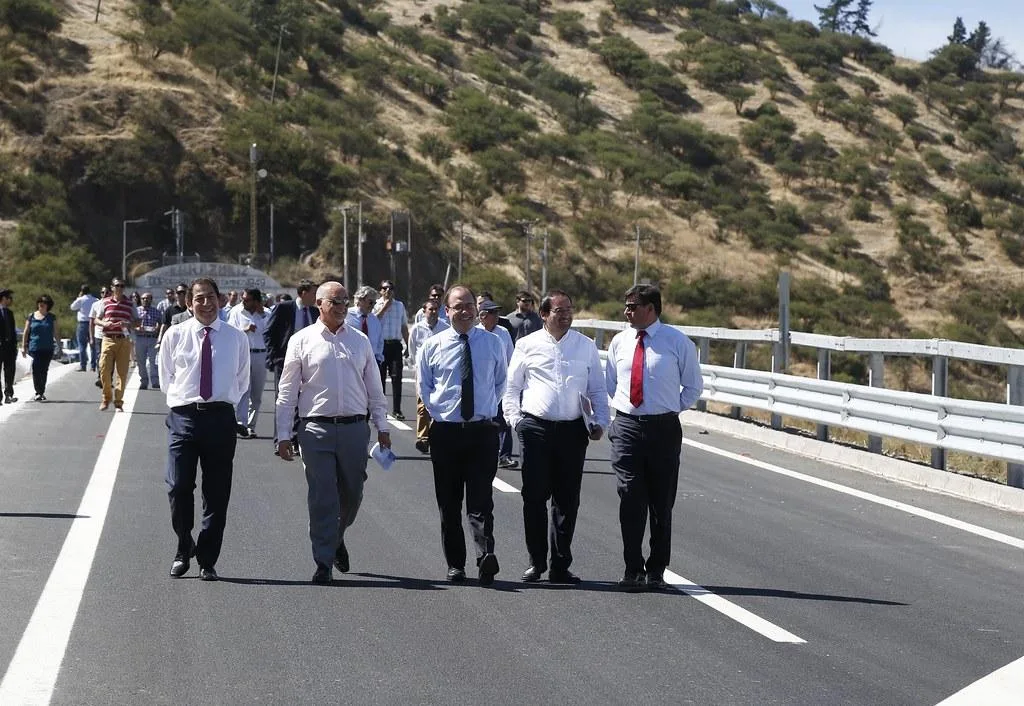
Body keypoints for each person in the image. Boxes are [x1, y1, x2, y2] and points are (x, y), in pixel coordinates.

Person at [276, 281, 392, 584]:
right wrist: (283, 434)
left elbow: (375, 389)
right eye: (335, 302)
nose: (342, 307)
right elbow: (287, 391)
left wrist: (382, 426)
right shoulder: (301, 341)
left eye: (344, 301)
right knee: (322, 497)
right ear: (319, 304)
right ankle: (323, 561)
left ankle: (337, 536)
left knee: (352, 494)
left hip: (355, 429)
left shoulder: (360, 341)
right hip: (315, 429)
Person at [503, 289, 609, 584]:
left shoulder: (585, 346)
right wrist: (516, 422)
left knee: (567, 500)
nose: (565, 316)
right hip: (535, 428)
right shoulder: (526, 345)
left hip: (573, 430)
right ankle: (536, 562)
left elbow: (597, 390)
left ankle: (560, 564)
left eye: (569, 310)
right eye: (559, 311)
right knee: (534, 497)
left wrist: (601, 422)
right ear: (544, 315)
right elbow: (511, 389)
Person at [605, 285, 703, 592]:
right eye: (626, 306)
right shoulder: (620, 341)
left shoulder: (676, 342)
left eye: (633, 306)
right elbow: (612, 384)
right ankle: (632, 567)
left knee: (661, 502)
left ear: (651, 308)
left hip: (663, 428)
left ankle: (656, 568)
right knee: (630, 496)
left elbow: (693, 387)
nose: (627, 311)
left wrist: (668, 410)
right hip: (627, 427)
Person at [159, 278, 250, 582]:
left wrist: (222, 404)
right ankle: (184, 546)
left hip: (220, 419)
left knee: (217, 492)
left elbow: (242, 379)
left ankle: (207, 559)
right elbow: (166, 377)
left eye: (211, 297)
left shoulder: (236, 338)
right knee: (178, 485)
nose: (206, 304)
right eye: (199, 299)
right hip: (184, 416)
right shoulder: (175, 335)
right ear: (189, 303)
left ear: (221, 299)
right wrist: (186, 403)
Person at [417, 285, 507, 586]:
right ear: (447, 311)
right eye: (458, 306)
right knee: (449, 503)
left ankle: (485, 557)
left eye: (470, 305)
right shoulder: (433, 345)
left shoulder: (492, 343)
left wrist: (486, 409)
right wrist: (442, 413)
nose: (466, 311)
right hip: (446, 433)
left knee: (482, 500)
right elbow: (425, 386)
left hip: (482, 432)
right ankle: (456, 564)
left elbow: (500, 382)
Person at [264, 279, 318, 453]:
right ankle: (279, 439)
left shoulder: (316, 313)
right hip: (285, 361)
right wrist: (274, 358)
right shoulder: (284, 308)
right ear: (303, 293)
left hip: (309, 363)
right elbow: (269, 332)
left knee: (303, 400)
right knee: (284, 400)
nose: (316, 297)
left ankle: (294, 439)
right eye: (313, 293)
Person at [406, 298, 450, 454]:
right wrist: (415, 368)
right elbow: (412, 350)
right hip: (422, 370)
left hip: (440, 370)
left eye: (435, 309)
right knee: (422, 404)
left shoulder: (445, 328)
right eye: (430, 309)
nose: (433, 312)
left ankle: (438, 436)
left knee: (440, 401)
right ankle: (423, 438)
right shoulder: (417, 329)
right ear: (424, 312)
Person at [477, 299, 516, 469]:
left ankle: (504, 455)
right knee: (482, 421)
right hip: (481, 384)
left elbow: (511, 358)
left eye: (497, 313)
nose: (497, 316)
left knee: (504, 420)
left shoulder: (504, 333)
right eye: (493, 313)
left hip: (500, 382)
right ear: (483, 316)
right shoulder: (474, 333)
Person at [228, 288, 269, 439]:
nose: (243, 302)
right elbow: (230, 332)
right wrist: (244, 329)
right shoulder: (236, 312)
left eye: (247, 300)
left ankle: (251, 426)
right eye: (243, 299)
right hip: (242, 355)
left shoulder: (267, 314)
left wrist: (262, 315)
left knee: (256, 394)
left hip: (260, 355)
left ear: (256, 301)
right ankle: (241, 424)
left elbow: (270, 332)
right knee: (243, 390)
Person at [97, 279, 138, 412]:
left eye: (122, 286)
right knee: (104, 370)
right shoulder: (105, 302)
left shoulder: (130, 304)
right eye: (117, 286)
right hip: (108, 338)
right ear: (112, 287)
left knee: (122, 372)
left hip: (123, 340)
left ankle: (118, 402)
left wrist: (128, 324)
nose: (119, 288)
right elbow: (96, 319)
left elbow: (137, 322)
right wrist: (104, 323)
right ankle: (106, 397)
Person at [373, 279, 409, 420]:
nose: (388, 291)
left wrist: (407, 345)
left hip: (395, 345)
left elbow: (404, 326)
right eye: (385, 288)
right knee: (380, 379)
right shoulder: (375, 305)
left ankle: (397, 409)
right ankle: (381, 410)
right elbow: (374, 321)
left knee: (396, 377)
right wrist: (385, 307)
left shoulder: (399, 306)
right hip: (381, 346)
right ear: (380, 291)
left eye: (391, 288)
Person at [20, 295, 59, 402]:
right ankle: (38, 392)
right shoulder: (31, 316)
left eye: (44, 302)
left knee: (44, 370)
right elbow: (26, 331)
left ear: (48, 305)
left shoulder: (52, 317)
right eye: (40, 302)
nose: (41, 304)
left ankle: (41, 390)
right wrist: (23, 346)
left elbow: (56, 332)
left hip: (48, 348)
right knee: (36, 370)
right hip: (34, 348)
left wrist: (59, 346)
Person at [346, 286, 383, 368]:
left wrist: (378, 359)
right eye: (370, 302)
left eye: (374, 303)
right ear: (360, 300)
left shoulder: (374, 320)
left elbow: (379, 342)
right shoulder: (346, 316)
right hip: (351, 363)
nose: (373, 305)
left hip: (371, 364)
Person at [134, 292, 161, 390]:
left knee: (153, 361)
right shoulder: (136, 311)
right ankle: (143, 381)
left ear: (151, 299)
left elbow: (161, 324)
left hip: (152, 338)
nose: (145, 300)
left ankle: (155, 381)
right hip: (140, 338)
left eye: (148, 298)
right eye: (143, 298)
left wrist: (157, 328)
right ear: (140, 299)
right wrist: (137, 328)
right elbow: (132, 324)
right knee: (141, 361)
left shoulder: (156, 311)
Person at [70, 285, 97, 372]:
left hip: (82, 323)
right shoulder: (95, 300)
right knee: (93, 345)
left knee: (82, 345)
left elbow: (72, 307)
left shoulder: (81, 299)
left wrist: (78, 297)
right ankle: (93, 366)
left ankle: (83, 365)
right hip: (93, 323)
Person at [89, 286, 110, 388]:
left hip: (110, 335)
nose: (105, 294)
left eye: (107, 292)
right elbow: (91, 322)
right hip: (99, 335)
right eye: (103, 292)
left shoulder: (112, 303)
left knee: (109, 358)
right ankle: (100, 377)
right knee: (100, 357)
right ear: (100, 294)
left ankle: (108, 379)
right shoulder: (95, 304)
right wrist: (91, 337)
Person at [0, 289, 17, 405]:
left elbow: (13, 331)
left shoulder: (10, 313)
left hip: (9, 347)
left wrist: (15, 346)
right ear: (3, 299)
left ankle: (9, 395)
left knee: (10, 371)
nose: (10, 300)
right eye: (8, 298)